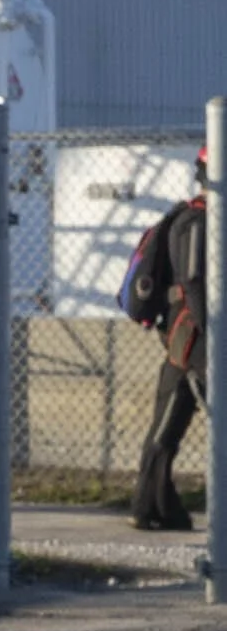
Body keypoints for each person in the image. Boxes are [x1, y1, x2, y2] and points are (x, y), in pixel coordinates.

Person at [129, 149, 208, 530]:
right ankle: (150, 504)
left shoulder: (207, 217)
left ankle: (155, 504)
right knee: (167, 425)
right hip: (192, 337)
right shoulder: (195, 220)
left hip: (191, 336)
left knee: (169, 424)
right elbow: (194, 283)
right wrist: (213, 331)